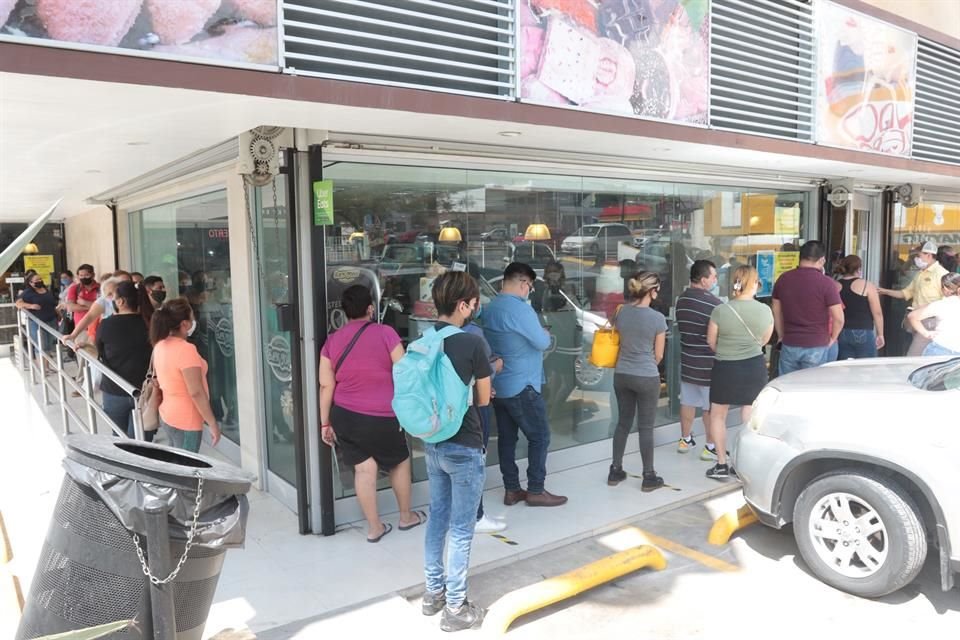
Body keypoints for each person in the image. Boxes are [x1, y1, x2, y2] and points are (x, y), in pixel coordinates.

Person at [318, 285, 423, 542]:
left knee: (364, 470)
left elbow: (326, 385)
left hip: (346, 415)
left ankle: (375, 528)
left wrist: (325, 423)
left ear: (345, 312)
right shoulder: (386, 333)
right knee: (399, 461)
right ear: (370, 308)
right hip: (382, 414)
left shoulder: (332, 342)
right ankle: (406, 516)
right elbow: (404, 370)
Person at [420, 271, 493, 632]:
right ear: (464, 305)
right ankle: (455, 608)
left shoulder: (425, 339)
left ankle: (433, 593)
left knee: (437, 517)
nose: (476, 308)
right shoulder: (472, 343)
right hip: (464, 445)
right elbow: (482, 399)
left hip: (432, 442)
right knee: (462, 528)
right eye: (474, 302)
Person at [483, 262, 568, 508]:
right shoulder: (521, 310)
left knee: (507, 440)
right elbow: (541, 342)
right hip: (523, 384)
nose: (529, 291)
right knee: (540, 436)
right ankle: (536, 489)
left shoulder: (490, 308)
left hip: (500, 384)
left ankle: (511, 489)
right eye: (530, 287)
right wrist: (544, 332)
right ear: (523, 284)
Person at [705, 266, 774, 480]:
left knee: (718, 414)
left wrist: (727, 351)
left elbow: (710, 341)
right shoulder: (765, 310)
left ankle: (721, 464)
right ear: (753, 284)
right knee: (749, 414)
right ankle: (744, 463)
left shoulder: (721, 310)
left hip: (725, 367)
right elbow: (765, 340)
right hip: (754, 366)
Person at [607, 272, 667, 490]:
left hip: (622, 374)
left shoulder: (621, 312)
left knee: (623, 423)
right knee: (645, 427)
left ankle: (615, 470)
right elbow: (659, 355)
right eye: (657, 289)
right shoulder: (657, 319)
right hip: (646, 376)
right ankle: (648, 476)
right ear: (651, 291)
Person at [150, 297, 221, 452]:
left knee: (176, 462)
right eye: (192, 317)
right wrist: (213, 423)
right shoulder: (186, 350)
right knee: (186, 469)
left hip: (168, 414)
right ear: (185, 324)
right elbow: (196, 392)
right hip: (186, 419)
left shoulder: (160, 344)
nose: (194, 320)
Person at [462, 305, 506, 534]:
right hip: (474, 405)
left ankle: (458, 513)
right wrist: (495, 367)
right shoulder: (473, 333)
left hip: (448, 409)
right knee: (475, 459)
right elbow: (484, 371)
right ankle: (476, 516)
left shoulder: (433, 334)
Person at [674, 259, 722, 459]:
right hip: (708, 364)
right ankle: (709, 447)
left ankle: (685, 440)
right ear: (703, 280)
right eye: (713, 276)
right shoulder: (714, 304)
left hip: (687, 360)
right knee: (709, 407)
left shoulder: (681, 300)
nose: (715, 280)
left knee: (687, 402)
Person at [772, 241, 844, 374]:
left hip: (790, 343)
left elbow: (776, 311)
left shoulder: (783, 279)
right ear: (822, 260)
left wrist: (782, 335)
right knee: (812, 388)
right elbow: (839, 318)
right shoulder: (827, 283)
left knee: (788, 388)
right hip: (816, 344)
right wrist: (832, 339)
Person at [96, 281, 153, 440]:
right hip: (145, 391)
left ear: (120, 302)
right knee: (143, 441)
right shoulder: (150, 322)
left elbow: (100, 351)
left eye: (113, 298)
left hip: (114, 389)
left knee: (119, 438)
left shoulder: (107, 324)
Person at [879, 241, 950, 355]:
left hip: (930, 322)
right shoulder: (920, 274)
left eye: (919, 255)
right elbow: (906, 293)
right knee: (922, 356)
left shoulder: (941, 274)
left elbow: (948, 299)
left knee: (913, 356)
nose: (917, 259)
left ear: (929, 255)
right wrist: (885, 291)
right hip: (916, 321)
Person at [835, 255, 885, 359]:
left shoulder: (835, 285)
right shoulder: (867, 285)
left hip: (841, 331)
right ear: (859, 269)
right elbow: (877, 313)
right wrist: (880, 334)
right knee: (865, 369)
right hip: (863, 330)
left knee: (843, 369)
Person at [907, 273, 960, 356]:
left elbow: (912, 316)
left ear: (945, 289)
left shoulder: (941, 304)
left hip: (940, 348)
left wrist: (926, 333)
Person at [16, 273, 59, 355]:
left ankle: (47, 366)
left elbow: (51, 303)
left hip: (51, 320)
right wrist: (31, 306)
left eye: (40, 279)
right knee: (41, 345)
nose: (39, 281)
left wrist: (58, 313)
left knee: (49, 345)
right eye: (36, 280)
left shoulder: (45, 289)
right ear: (30, 283)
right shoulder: (27, 292)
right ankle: (42, 367)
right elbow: (18, 303)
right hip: (36, 322)